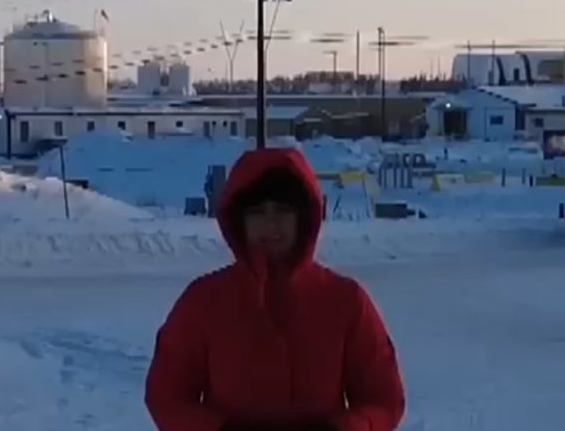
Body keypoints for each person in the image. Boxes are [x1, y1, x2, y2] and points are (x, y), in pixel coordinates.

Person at [145, 147, 405, 431]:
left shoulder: (346, 301)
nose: (271, 224)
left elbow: (383, 400)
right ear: (239, 219)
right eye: (257, 212)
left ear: (303, 216)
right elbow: (167, 396)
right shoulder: (203, 301)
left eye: (283, 210)